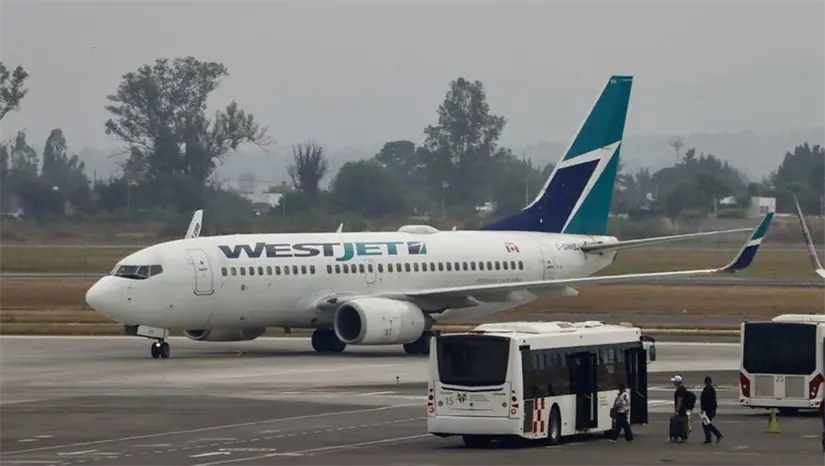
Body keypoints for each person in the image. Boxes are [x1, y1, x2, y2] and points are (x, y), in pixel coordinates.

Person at [700, 376, 723, 444]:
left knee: (706, 423)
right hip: (712, 408)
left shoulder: (706, 389)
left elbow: (706, 400)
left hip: (708, 409)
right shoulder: (712, 389)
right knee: (706, 423)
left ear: (705, 382)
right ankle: (708, 438)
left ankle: (717, 435)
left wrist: (703, 409)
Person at [671, 374, 691, 442]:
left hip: (681, 409)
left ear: (677, 382)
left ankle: (679, 436)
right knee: (681, 423)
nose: (673, 382)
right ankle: (680, 436)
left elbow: (680, 400)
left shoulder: (680, 390)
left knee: (678, 422)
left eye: (674, 381)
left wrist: (677, 410)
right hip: (684, 408)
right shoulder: (683, 388)